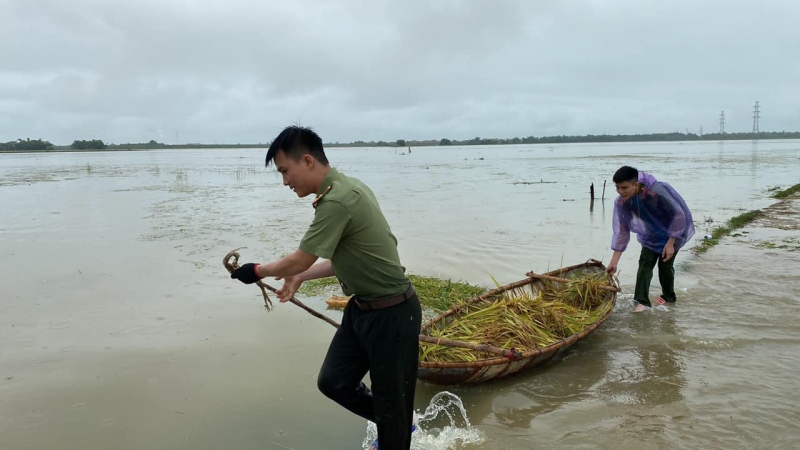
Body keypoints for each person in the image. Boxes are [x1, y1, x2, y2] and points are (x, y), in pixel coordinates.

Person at [230, 126, 421, 450]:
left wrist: (257, 270)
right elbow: (340, 260)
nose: (285, 181)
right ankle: (397, 422)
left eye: (285, 171)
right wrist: (300, 278)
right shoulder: (344, 189)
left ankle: (396, 426)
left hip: (392, 314)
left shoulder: (340, 200)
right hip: (361, 310)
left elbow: (299, 259)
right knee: (334, 382)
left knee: (392, 425)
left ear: (307, 161)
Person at [605, 166, 695, 312]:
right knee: (645, 263)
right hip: (651, 235)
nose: (620, 191)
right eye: (617, 187)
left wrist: (671, 243)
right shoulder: (623, 202)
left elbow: (678, 215)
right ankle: (641, 302)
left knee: (665, 266)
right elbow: (622, 231)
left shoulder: (656, 192)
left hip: (674, 233)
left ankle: (668, 297)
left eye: (624, 187)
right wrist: (614, 262)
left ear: (635, 185)